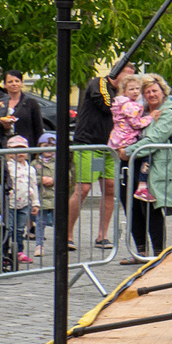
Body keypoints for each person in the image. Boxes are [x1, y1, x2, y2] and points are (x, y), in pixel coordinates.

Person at [69, 61, 134, 252]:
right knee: (83, 188)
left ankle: (102, 236)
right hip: (88, 144)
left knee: (109, 188)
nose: (128, 82)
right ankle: (67, 235)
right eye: (126, 77)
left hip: (107, 147)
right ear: (117, 73)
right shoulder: (99, 83)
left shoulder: (123, 96)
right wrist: (126, 102)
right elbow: (107, 105)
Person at [120, 74, 172, 264]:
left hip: (152, 168)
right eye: (147, 92)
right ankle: (140, 252)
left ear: (163, 92)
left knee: (150, 210)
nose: (151, 94)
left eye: (154, 90)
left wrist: (127, 152)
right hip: (132, 167)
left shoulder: (168, 114)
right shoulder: (139, 111)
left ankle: (158, 253)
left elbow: (154, 140)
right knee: (132, 209)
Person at [108, 75, 156, 202]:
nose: (135, 92)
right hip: (127, 139)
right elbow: (136, 123)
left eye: (137, 89)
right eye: (131, 89)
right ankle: (142, 185)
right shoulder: (132, 106)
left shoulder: (119, 103)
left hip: (117, 138)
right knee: (146, 154)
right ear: (124, 91)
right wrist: (150, 117)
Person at [2, 136, 41, 263]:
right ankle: (4, 251)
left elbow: (33, 185)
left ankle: (18, 251)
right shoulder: (7, 166)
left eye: (23, 150)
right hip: (10, 202)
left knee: (20, 229)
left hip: (24, 203)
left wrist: (35, 203)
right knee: (9, 228)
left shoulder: (30, 169)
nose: (20, 153)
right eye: (16, 150)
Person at [2, 70, 45, 149]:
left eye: (17, 81)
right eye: (10, 82)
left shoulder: (31, 103)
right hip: (6, 147)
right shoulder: (0, 103)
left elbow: (38, 128)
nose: (14, 84)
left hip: (27, 147)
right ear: (5, 85)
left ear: (21, 83)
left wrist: (39, 149)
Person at [32, 131, 57, 260]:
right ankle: (39, 245)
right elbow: (30, 176)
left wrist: (54, 179)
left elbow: (67, 176)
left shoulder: (58, 162)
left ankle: (60, 245)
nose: (48, 149)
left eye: (51, 146)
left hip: (55, 198)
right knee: (40, 222)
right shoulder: (35, 163)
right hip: (41, 198)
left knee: (56, 222)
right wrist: (42, 179)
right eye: (45, 145)